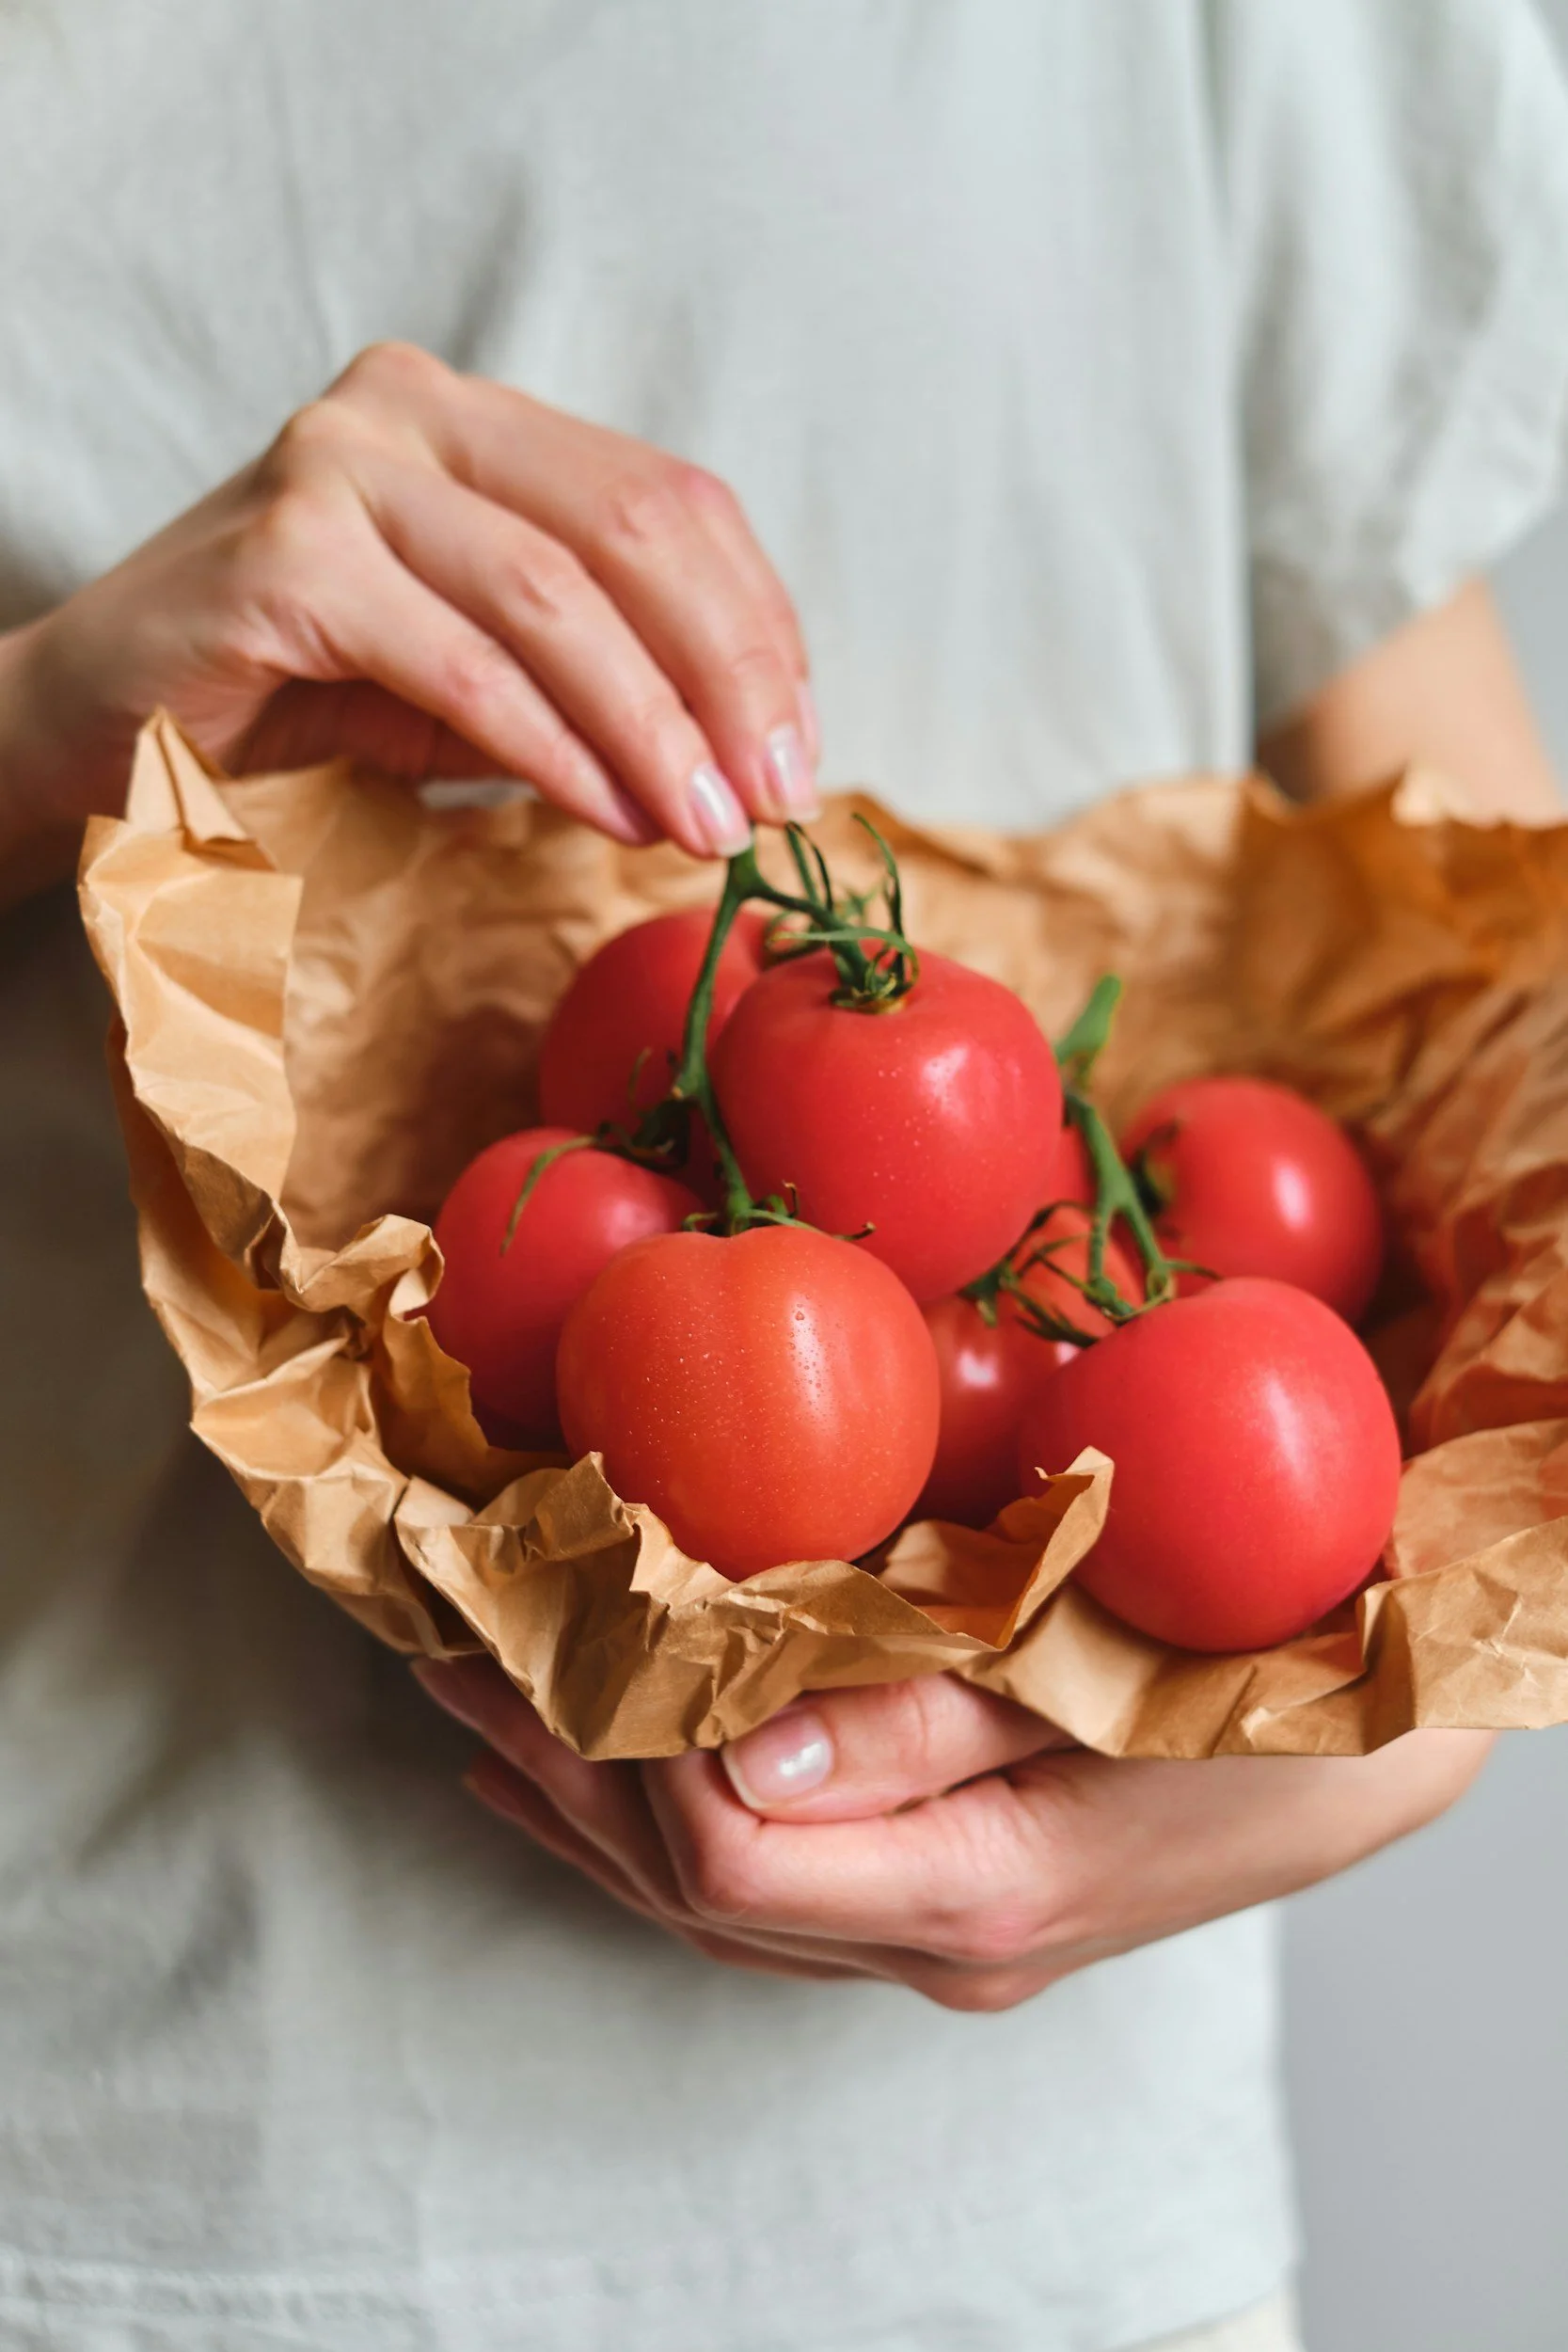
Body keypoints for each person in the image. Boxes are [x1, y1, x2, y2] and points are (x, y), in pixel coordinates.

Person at [2, 5, 1565, 2348]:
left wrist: (1414, 1708)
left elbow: (1491, 987)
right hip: (104, 2166)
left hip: (1029, 2245)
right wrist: (37, 730)